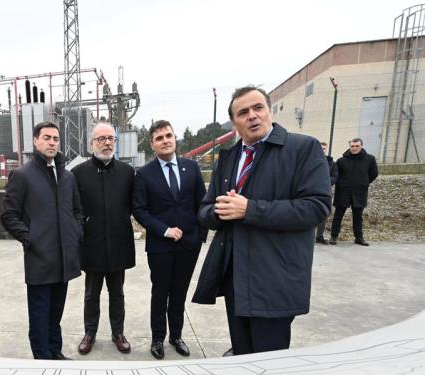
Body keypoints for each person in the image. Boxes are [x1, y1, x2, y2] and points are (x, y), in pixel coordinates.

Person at [192, 86, 331, 356]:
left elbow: (316, 207)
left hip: (275, 277)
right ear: (234, 123)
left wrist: (250, 210)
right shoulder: (229, 158)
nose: (252, 116)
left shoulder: (302, 148)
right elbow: (205, 210)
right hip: (235, 275)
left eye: (258, 108)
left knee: (268, 361)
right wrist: (220, 211)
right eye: (243, 112)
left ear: (270, 111)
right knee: (242, 354)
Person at [1, 121, 83, 360]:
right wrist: (31, 239)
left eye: (55, 139)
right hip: (40, 258)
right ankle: (42, 360)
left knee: (56, 313)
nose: (52, 143)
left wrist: (75, 233)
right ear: (35, 141)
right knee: (39, 315)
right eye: (46, 138)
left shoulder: (67, 176)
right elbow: (8, 215)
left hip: (65, 257)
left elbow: (77, 211)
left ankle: (55, 352)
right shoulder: (22, 175)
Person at [132, 120, 207, 360]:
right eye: (159, 138)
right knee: (160, 293)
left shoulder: (191, 168)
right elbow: (140, 210)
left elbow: (202, 203)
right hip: (160, 246)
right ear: (152, 145)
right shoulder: (144, 174)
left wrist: (199, 236)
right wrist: (164, 230)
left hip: (189, 245)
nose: (165, 140)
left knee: (179, 293)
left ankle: (176, 336)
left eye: (168, 136)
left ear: (175, 139)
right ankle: (158, 339)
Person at [72, 122, 136, 355]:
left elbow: (134, 205)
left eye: (111, 138)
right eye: (101, 139)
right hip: (92, 244)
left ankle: (118, 333)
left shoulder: (127, 172)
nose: (107, 143)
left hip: (119, 242)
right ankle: (90, 333)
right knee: (91, 294)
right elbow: (75, 209)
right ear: (92, 143)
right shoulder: (78, 173)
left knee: (117, 293)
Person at [329, 138, 378, 246]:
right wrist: (342, 184)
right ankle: (333, 236)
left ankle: (359, 238)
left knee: (358, 216)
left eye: (357, 146)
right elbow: (337, 175)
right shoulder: (341, 161)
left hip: (360, 191)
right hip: (343, 191)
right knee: (338, 215)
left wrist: (364, 182)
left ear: (361, 146)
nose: (354, 148)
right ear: (349, 146)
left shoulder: (370, 159)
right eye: (352, 146)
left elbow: (374, 173)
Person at [315, 141, 339, 244]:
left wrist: (324, 183)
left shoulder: (332, 163)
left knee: (324, 212)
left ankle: (319, 236)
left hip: (325, 191)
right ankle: (307, 236)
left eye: (324, 148)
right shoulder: (310, 160)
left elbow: (335, 177)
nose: (322, 150)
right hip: (311, 190)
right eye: (320, 148)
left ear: (326, 149)